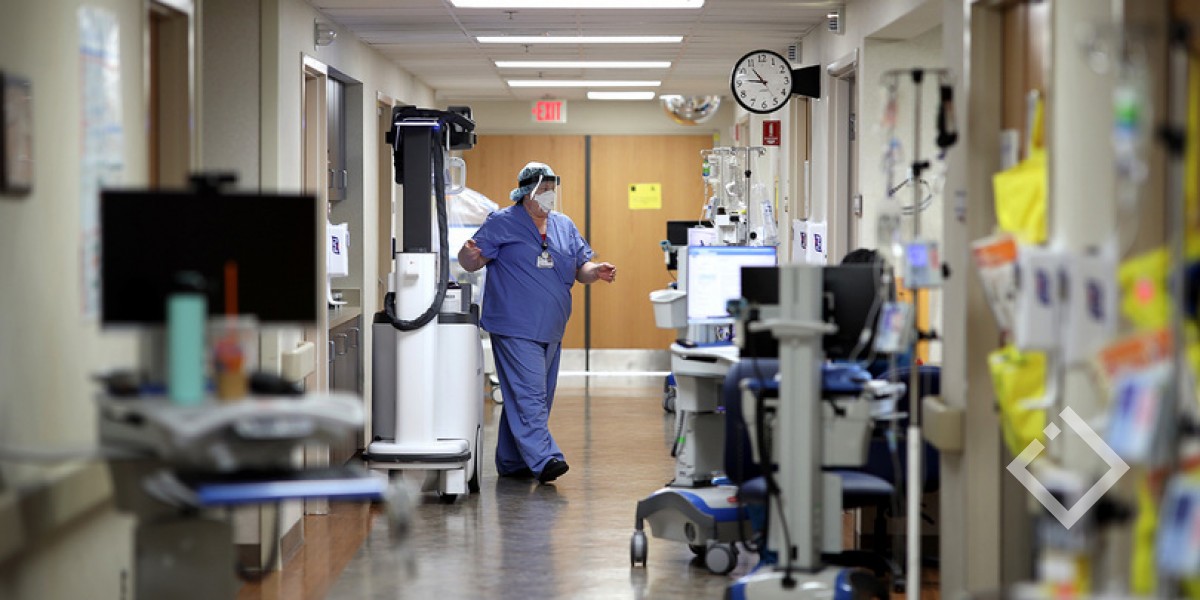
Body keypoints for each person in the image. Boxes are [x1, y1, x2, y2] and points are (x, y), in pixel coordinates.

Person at [457, 162, 616, 484]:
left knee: (530, 394)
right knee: (530, 395)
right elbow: (472, 261)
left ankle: (512, 461)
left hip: (551, 327)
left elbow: (581, 267)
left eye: (552, 190)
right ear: (525, 192)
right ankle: (545, 459)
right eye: (543, 190)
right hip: (514, 324)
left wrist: (595, 271)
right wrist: (468, 254)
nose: (549, 196)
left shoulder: (564, 225)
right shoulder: (502, 222)